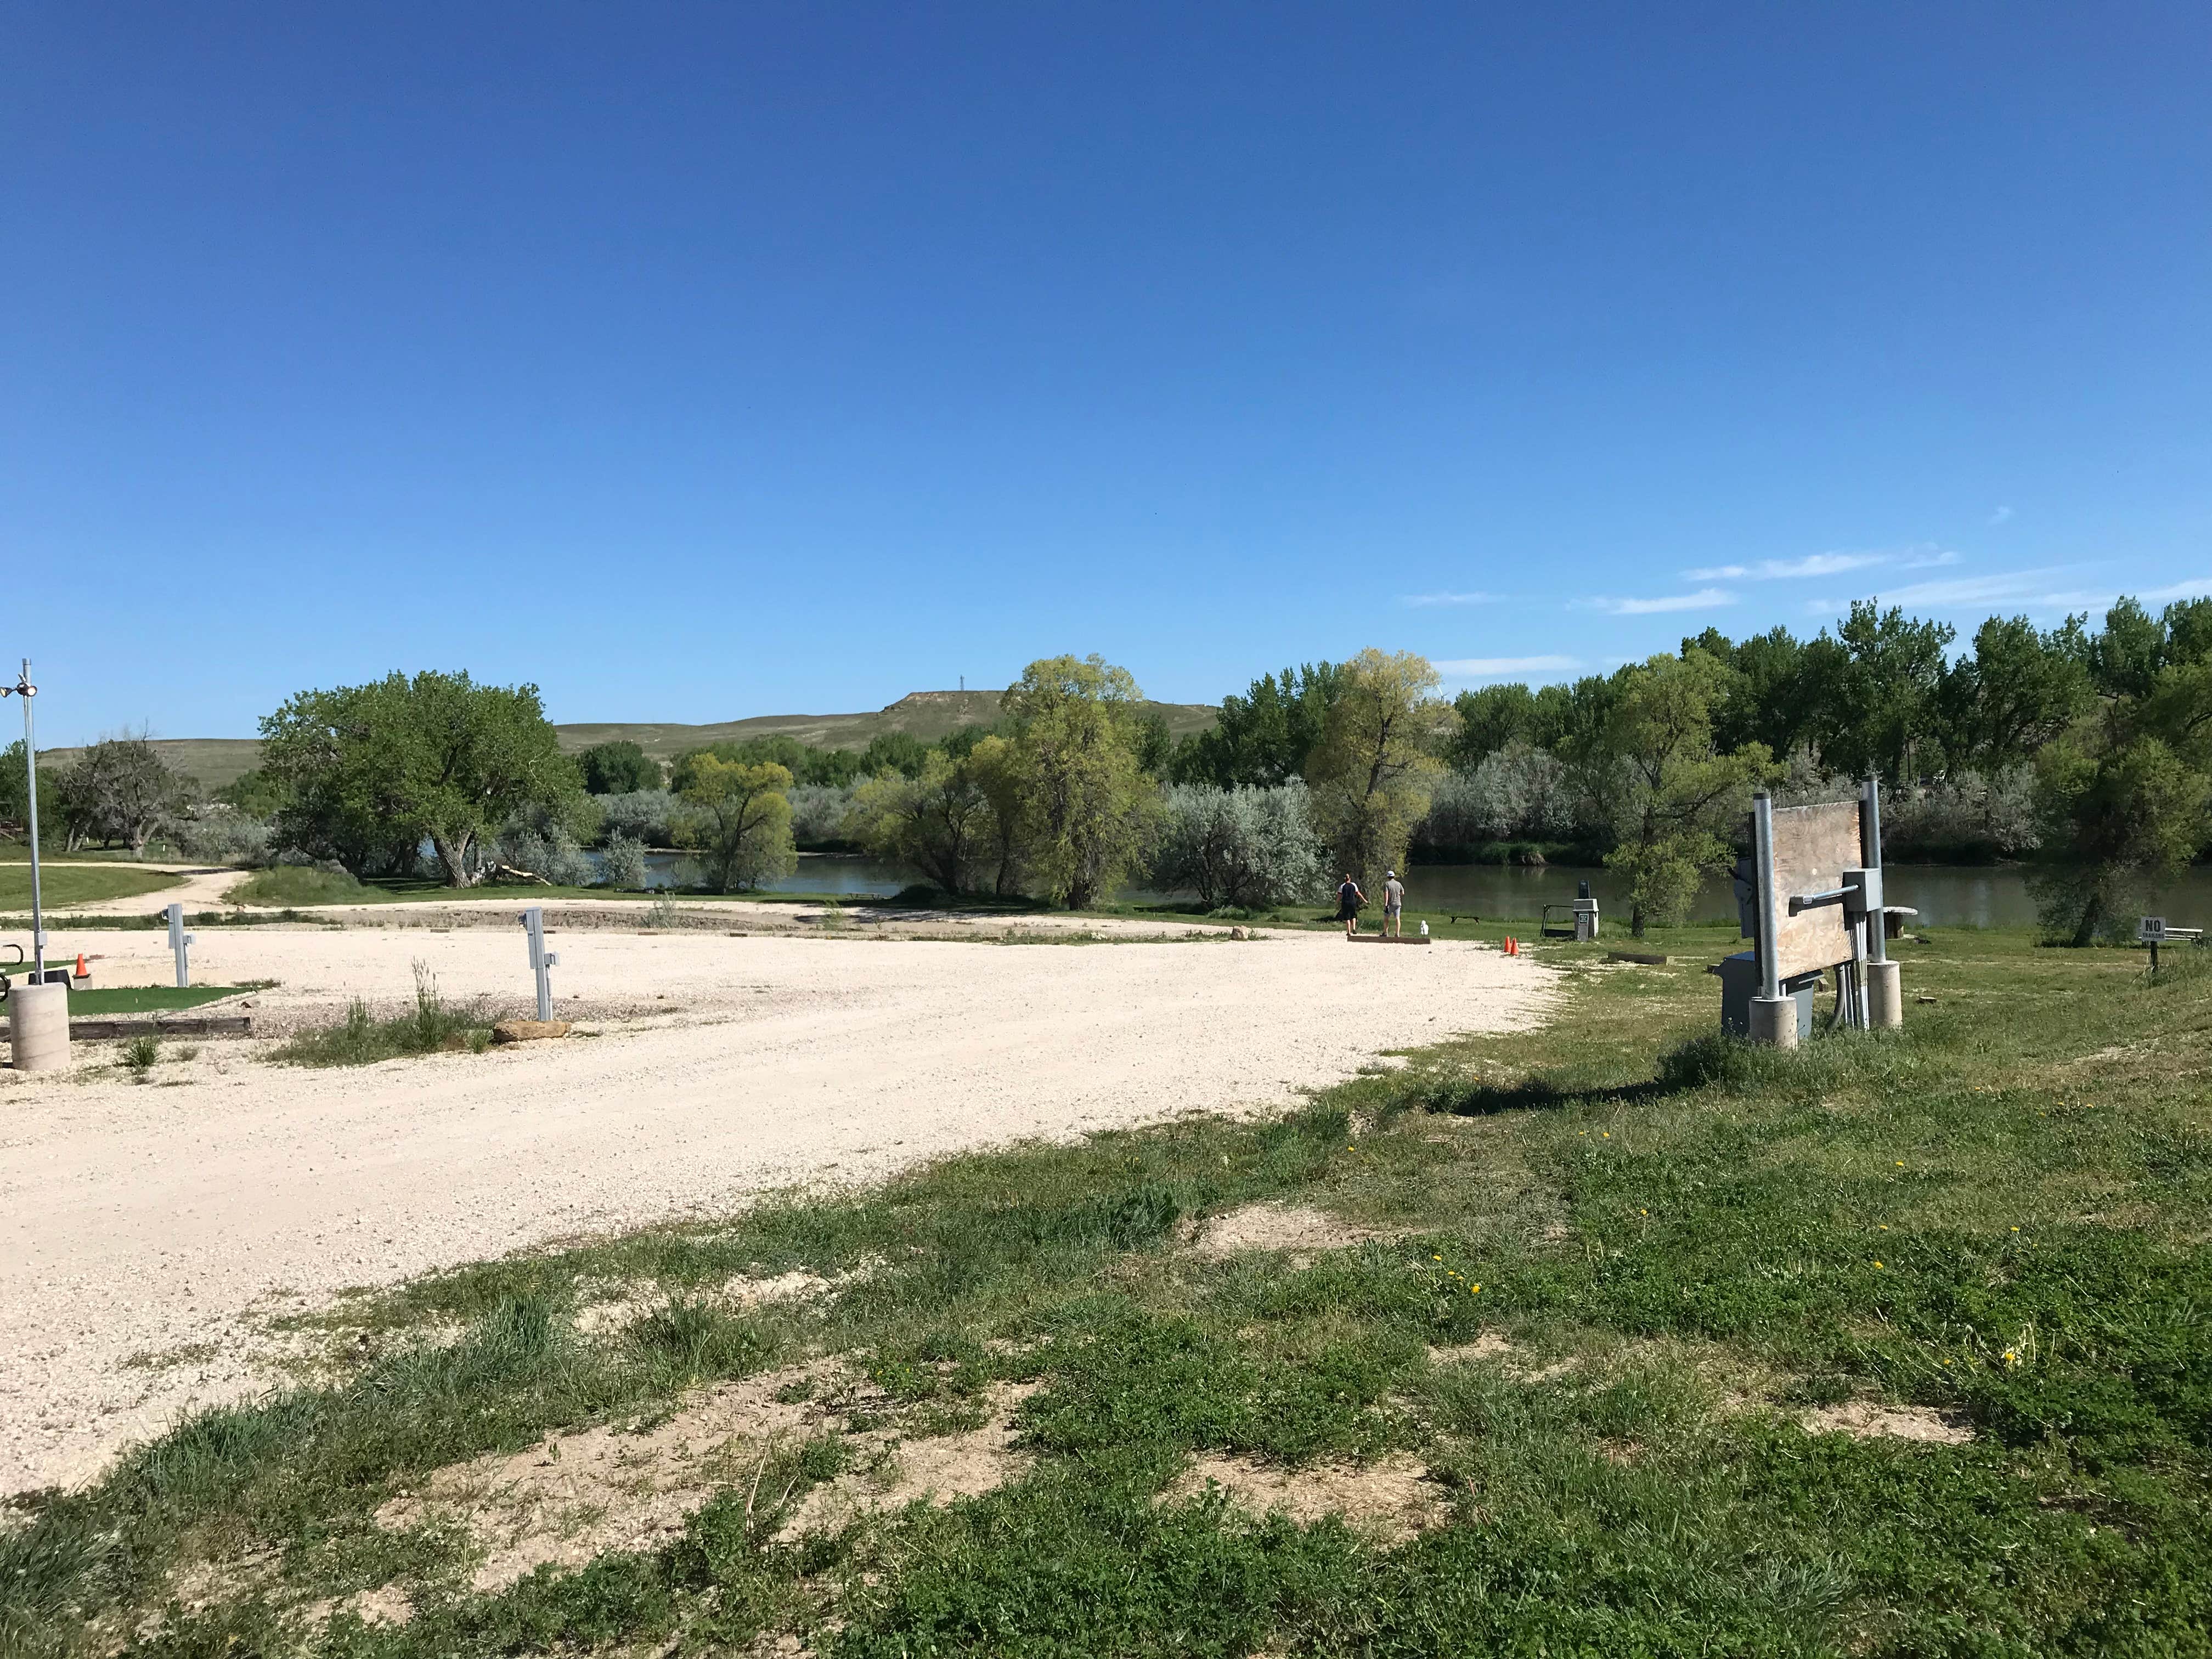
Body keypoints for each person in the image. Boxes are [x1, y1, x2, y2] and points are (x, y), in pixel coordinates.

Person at [1335, 872, 1366, 938]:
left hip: (1345, 903)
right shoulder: (1354, 885)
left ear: (1345, 879)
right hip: (1353, 902)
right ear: (1350, 879)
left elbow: (1339, 896)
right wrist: (1364, 900)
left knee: (1347, 917)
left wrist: (1337, 902)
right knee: (1354, 915)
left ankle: (1349, 931)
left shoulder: (1342, 886)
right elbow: (1358, 894)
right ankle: (1354, 928)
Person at [1383, 868, 1405, 938]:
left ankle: (1386, 933)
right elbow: (1403, 893)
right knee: (1397, 918)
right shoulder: (1399, 884)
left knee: (1386, 918)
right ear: (1394, 876)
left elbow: (1386, 895)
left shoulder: (1387, 884)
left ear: (1388, 877)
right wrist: (1398, 895)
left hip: (1390, 904)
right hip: (1398, 904)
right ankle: (1397, 933)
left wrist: (1386, 905)